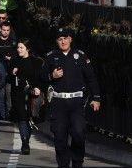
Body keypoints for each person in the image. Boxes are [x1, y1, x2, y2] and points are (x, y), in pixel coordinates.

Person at [43, 28, 101, 168]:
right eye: (60, 39)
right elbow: (41, 77)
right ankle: (63, 164)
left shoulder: (79, 56)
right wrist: (52, 76)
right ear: (57, 41)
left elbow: (91, 78)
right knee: (60, 136)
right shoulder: (51, 56)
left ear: (70, 39)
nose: (63, 41)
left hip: (76, 102)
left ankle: (77, 163)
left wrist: (96, 98)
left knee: (78, 133)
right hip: (59, 102)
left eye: (65, 38)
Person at [10, 40, 44, 155]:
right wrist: (12, 73)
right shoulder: (14, 60)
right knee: (22, 118)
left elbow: (40, 78)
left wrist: (38, 88)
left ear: (27, 49)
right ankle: (25, 143)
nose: (19, 50)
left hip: (31, 93)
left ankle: (26, 140)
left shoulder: (36, 62)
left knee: (29, 117)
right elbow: (9, 79)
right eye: (18, 47)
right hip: (17, 93)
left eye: (21, 47)